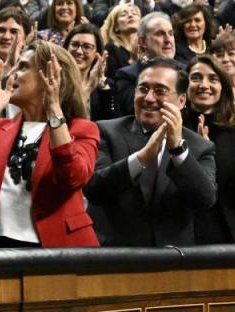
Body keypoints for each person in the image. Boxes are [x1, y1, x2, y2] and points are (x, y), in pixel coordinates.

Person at [0, 41, 99, 248]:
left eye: (23, 66)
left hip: (56, 249)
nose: (13, 73)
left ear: (50, 77)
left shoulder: (81, 129)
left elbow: (72, 177)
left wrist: (54, 107)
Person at [85, 58, 217, 246]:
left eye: (160, 91)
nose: (148, 98)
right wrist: (141, 158)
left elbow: (205, 200)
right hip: (112, 258)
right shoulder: (106, 131)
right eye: (143, 89)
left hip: (171, 261)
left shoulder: (199, 146)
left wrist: (178, 150)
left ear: (181, 101)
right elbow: (94, 189)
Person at [182, 54, 235, 244]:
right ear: (185, 85)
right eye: (196, 77)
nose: (204, 85)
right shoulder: (173, 130)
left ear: (222, 87)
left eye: (213, 79)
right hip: (185, 239)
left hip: (229, 239)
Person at [113, 12, 177, 115]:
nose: (168, 39)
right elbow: (137, 112)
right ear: (142, 42)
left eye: (170, 33)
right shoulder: (127, 76)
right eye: (160, 34)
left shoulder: (186, 72)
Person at [64, 23, 116, 120]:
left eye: (87, 47)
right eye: (74, 45)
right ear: (66, 48)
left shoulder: (105, 86)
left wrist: (101, 84)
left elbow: (111, 121)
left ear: (97, 53)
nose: (79, 51)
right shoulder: (57, 82)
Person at [99, 2, 140, 78]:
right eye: (123, 15)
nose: (130, 15)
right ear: (116, 27)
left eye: (134, 13)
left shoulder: (145, 49)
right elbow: (115, 79)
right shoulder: (111, 49)